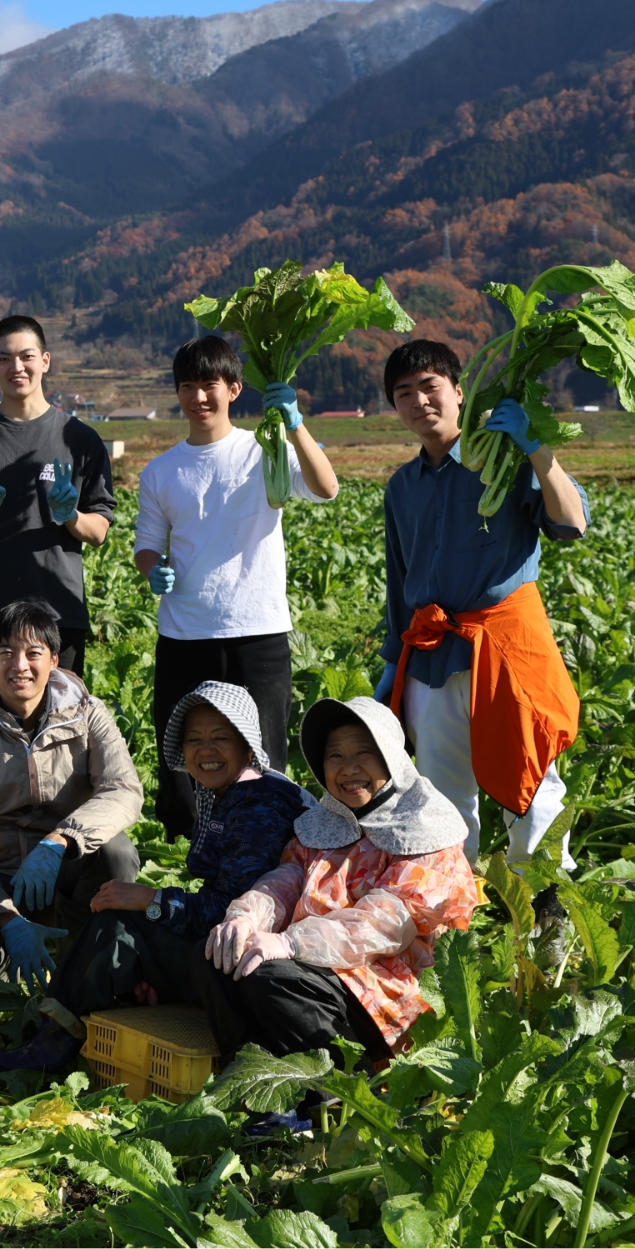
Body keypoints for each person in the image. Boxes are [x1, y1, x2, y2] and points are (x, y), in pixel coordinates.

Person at [0, 681, 309, 1071]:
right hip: (226, 955)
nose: (206, 750)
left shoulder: (262, 807)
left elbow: (232, 915)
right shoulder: (233, 791)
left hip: (247, 964)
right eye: (194, 739)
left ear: (247, 745)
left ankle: (53, 1044)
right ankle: (63, 1025)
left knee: (118, 926)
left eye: (221, 737)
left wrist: (152, 901)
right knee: (126, 923)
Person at [380, 340, 587, 863]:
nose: (419, 401)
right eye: (404, 393)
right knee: (439, 796)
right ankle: (454, 919)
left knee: (533, 785)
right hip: (432, 653)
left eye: (430, 387)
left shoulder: (505, 459)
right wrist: (391, 664)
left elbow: (571, 522)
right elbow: (399, 578)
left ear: (458, 391)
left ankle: (545, 917)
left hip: (509, 646)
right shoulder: (402, 485)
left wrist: (537, 448)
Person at [135, 335, 339, 838]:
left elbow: (325, 487)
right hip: (185, 631)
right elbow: (146, 545)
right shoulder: (161, 472)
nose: (199, 398)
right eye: (188, 386)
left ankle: (271, 843)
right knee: (183, 750)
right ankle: (188, 850)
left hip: (258, 627)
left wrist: (294, 425)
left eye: (210, 385)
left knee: (265, 745)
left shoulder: (263, 451)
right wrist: (151, 569)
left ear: (234, 389)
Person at [202, 696, 478, 1066]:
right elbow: (288, 880)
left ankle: (327, 1087)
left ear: (391, 758)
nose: (348, 769)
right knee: (216, 957)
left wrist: (290, 942)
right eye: (335, 756)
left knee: (269, 977)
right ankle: (255, 1079)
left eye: (364, 753)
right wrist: (246, 917)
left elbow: (383, 925)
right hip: (315, 964)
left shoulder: (425, 828)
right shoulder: (329, 818)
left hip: (385, 985)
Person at [0, 601, 143, 992]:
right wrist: (6, 918)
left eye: (33, 653)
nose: (19, 665)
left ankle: (86, 954)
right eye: (6, 652)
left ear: (54, 660)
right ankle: (7, 957)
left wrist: (61, 840)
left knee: (117, 852)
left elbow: (123, 789)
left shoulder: (89, 715)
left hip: (67, 865)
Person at [0, 317, 115, 676]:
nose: (16, 367)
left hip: (59, 613)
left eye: (26, 356)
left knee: (61, 724)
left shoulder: (80, 440)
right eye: (3, 358)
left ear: (45, 361)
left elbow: (99, 532)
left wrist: (72, 516)